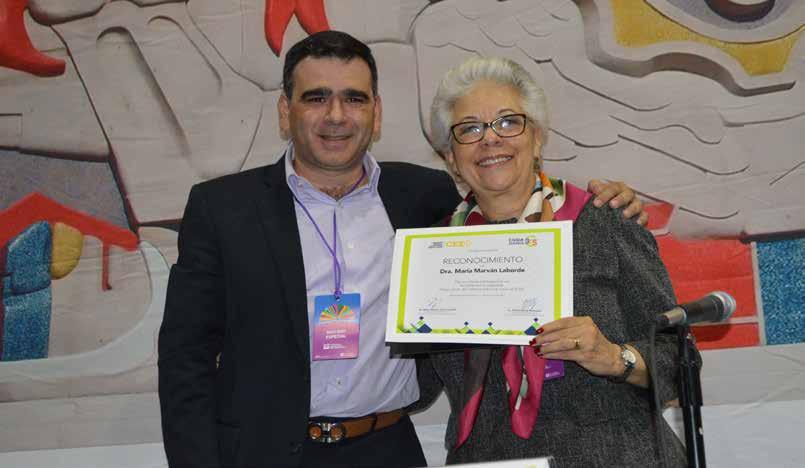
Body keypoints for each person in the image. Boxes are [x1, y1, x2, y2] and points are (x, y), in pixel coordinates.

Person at [157, 31, 646, 467]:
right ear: (286, 112)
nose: (336, 115)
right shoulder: (223, 208)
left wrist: (613, 200)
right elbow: (185, 358)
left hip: (386, 445)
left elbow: (510, 195)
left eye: (354, 98)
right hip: (261, 451)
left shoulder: (423, 197)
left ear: (376, 113)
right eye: (316, 97)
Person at [416, 56, 692, 467]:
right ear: (450, 157)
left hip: (617, 456)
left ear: (537, 138)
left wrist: (613, 357)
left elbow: (679, 362)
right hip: (489, 460)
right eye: (469, 129)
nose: (490, 139)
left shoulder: (603, 219)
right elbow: (414, 385)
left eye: (508, 122)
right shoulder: (431, 253)